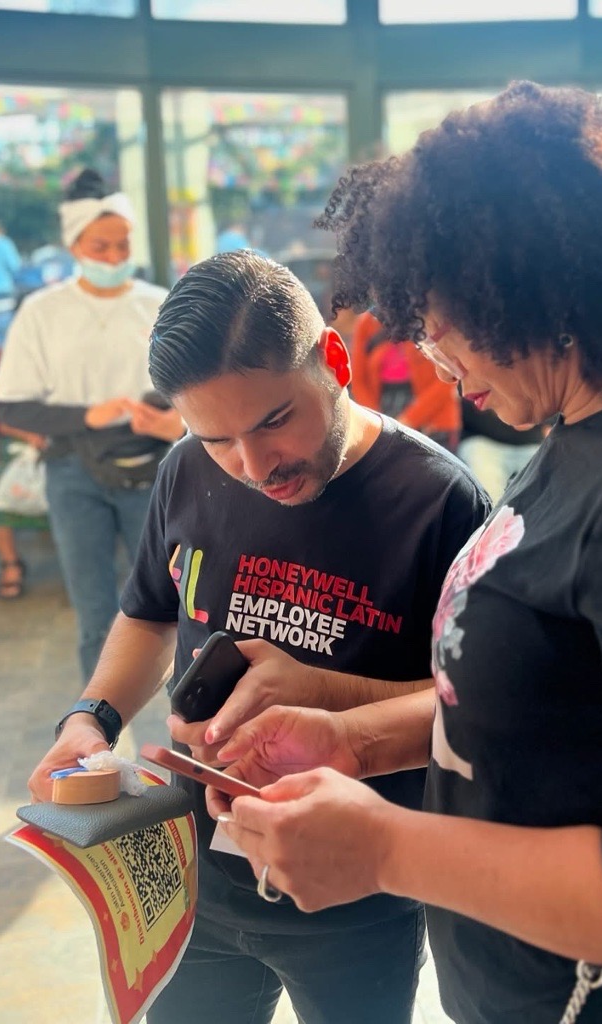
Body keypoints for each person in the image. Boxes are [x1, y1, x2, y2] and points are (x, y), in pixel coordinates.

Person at [207, 82, 602, 1024]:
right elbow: (553, 703)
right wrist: (355, 741)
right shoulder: (589, 434)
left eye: (434, 319)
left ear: (533, 281)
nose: (431, 357)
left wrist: (386, 850)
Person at [27, 250, 489, 1024]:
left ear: (333, 361)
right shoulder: (184, 473)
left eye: (275, 421)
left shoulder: (439, 503)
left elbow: (471, 708)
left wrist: (333, 702)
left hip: (353, 895)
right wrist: (91, 717)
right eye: (217, 439)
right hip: (192, 879)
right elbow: (149, 611)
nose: (253, 466)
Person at [0, 169, 183, 677]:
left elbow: (195, 388)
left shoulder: (158, 302)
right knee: (97, 615)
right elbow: (11, 405)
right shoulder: (42, 312)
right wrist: (85, 416)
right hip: (74, 470)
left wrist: (173, 421)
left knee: (173, 608)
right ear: (74, 244)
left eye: (123, 245)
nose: (115, 258)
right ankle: (100, 735)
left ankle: (188, 731)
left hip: (155, 466)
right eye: (101, 246)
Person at [0, 346, 49, 599]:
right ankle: (10, 561)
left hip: (69, 435)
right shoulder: (4, 359)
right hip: (12, 435)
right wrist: (23, 433)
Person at [350, 310, 461, 451]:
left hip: (433, 420)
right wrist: (377, 422)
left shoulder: (430, 313)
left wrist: (409, 420)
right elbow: (358, 381)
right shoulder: (367, 322)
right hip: (383, 413)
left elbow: (447, 380)